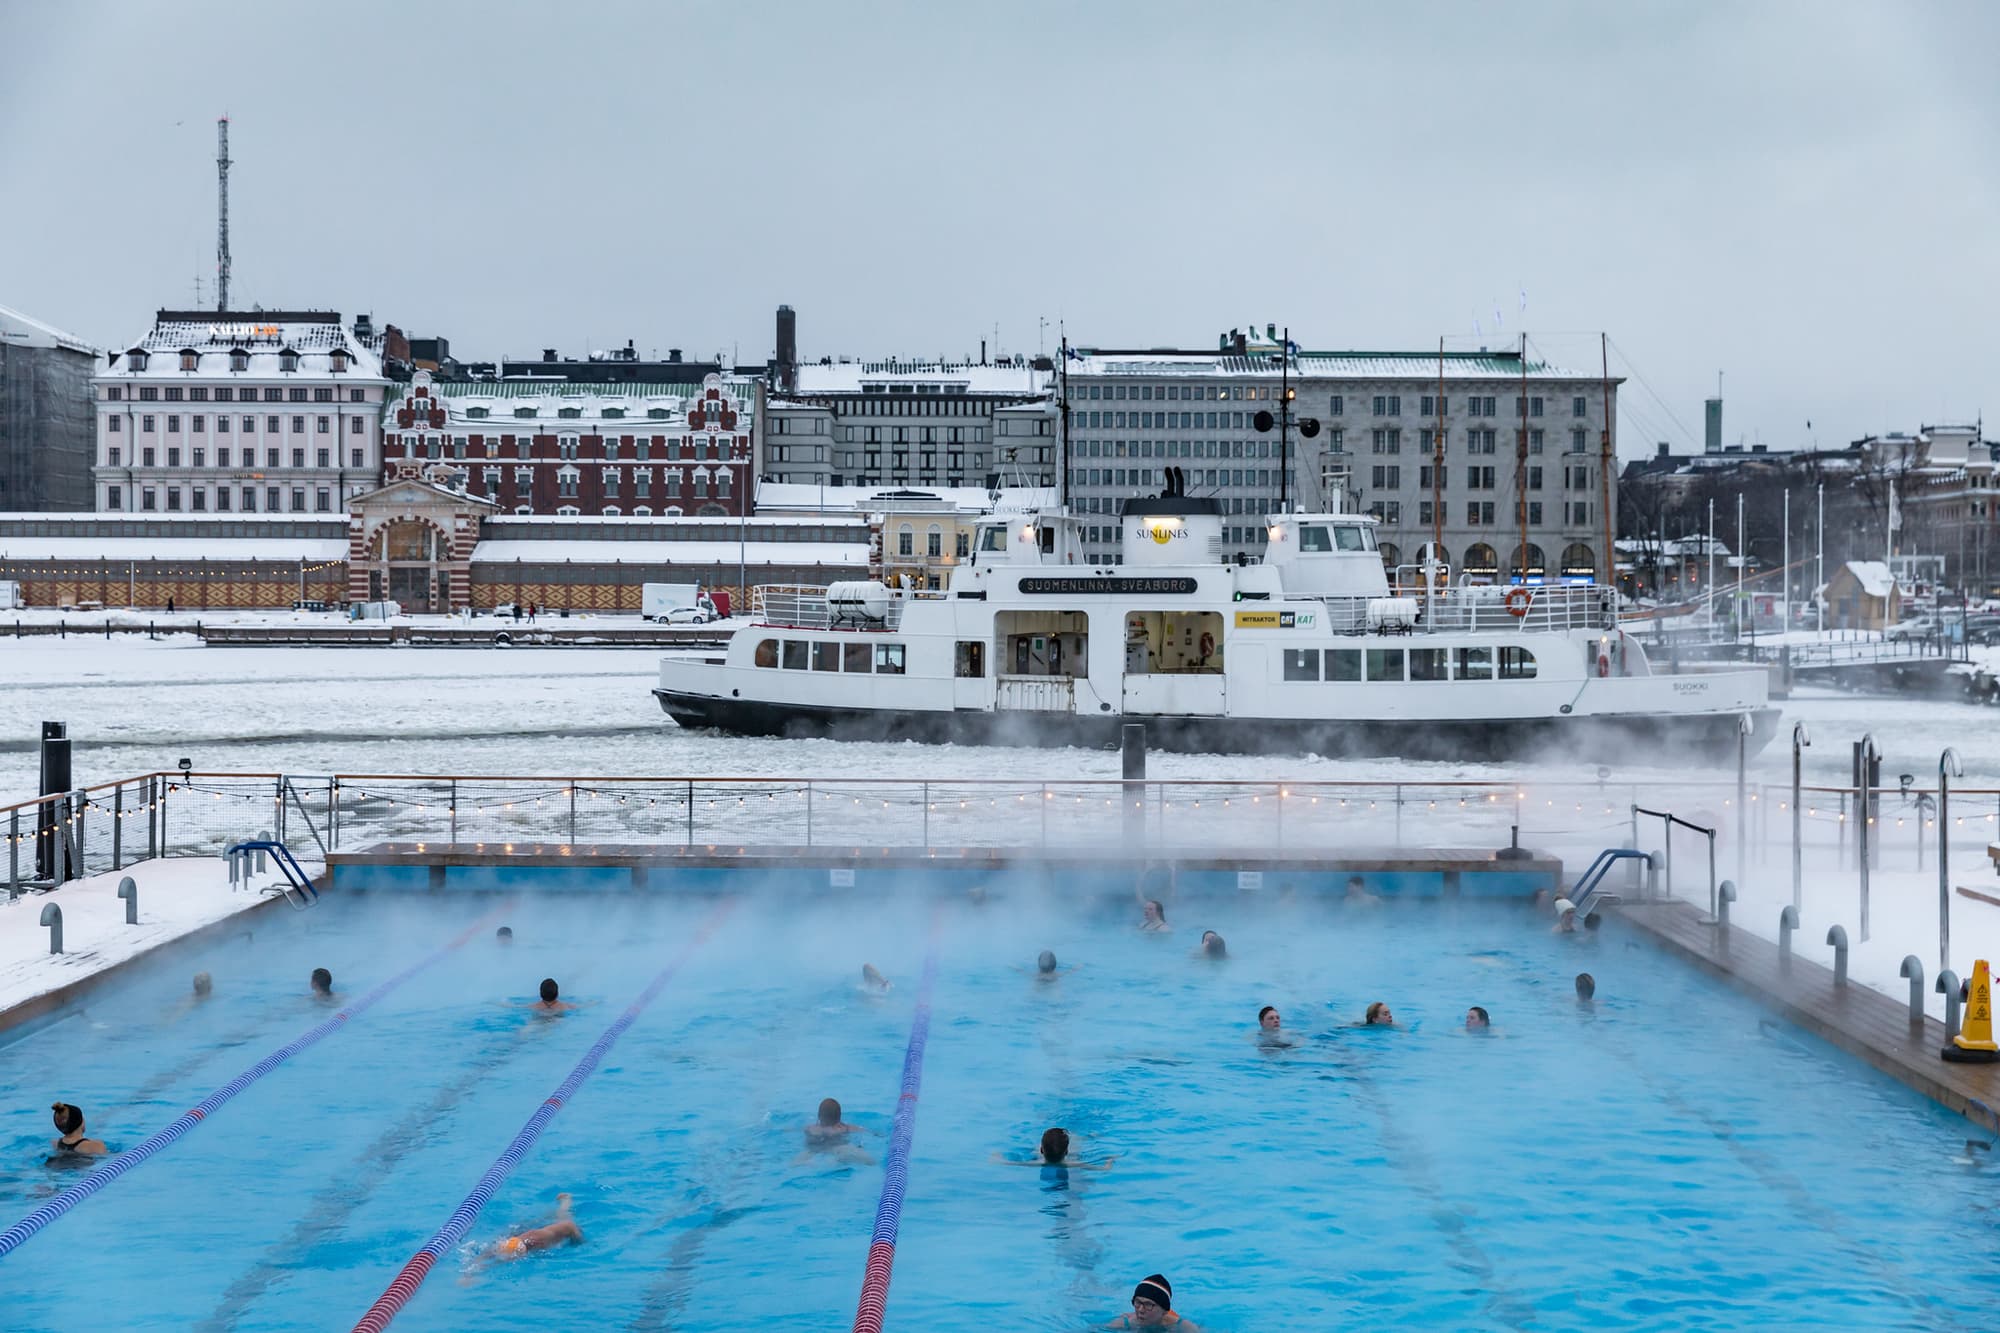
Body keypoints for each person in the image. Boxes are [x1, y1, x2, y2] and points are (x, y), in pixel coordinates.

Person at [477, 1193, 583, 1270]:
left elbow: (569, 1225)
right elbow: (490, 1255)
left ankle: (566, 1200)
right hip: (530, 1232)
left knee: (563, 1215)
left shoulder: (542, 1239)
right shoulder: (510, 1244)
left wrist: (579, 1242)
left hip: (569, 1228)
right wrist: (473, 1273)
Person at [997, 1126, 1115, 1170]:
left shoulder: (1035, 1163)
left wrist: (996, 1155)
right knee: (1077, 1140)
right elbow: (1105, 1168)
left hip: (1043, 1154)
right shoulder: (1074, 1164)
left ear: (1041, 1150)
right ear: (1067, 1151)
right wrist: (1110, 1159)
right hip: (1068, 1153)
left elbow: (1005, 1162)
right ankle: (1090, 1136)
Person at [1107, 1274, 1199, 1329]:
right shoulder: (1122, 1324)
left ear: (1164, 1311)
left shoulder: (1182, 1327)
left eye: (1148, 1304)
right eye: (1138, 1302)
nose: (1140, 1310)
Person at [801, 1097, 874, 1165]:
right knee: (870, 1161)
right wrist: (876, 1134)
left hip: (814, 1149)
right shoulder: (845, 1128)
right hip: (838, 1148)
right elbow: (864, 1130)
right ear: (839, 1116)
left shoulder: (811, 1128)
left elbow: (797, 1130)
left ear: (819, 1115)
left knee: (798, 1162)